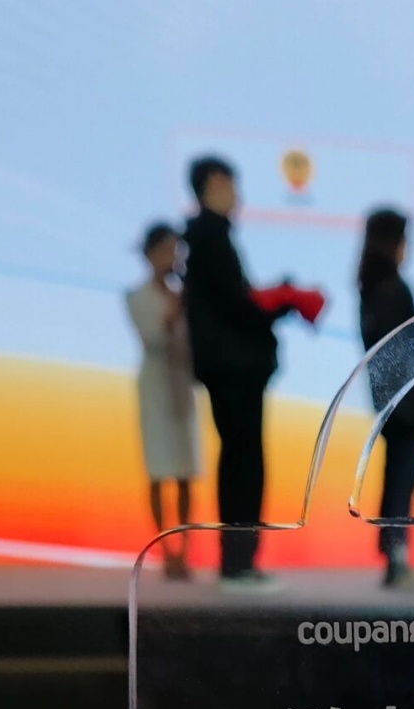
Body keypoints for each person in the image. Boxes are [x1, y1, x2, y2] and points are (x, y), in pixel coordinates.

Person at [183, 156, 291, 588]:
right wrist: (281, 304)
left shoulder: (208, 237)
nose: (238, 196)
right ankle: (239, 561)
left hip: (230, 367)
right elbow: (237, 306)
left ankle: (239, 558)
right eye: (230, 185)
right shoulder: (210, 237)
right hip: (235, 368)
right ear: (212, 185)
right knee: (244, 463)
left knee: (239, 460)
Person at [358, 208, 414, 588]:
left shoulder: (370, 287)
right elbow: (407, 347)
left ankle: (395, 555)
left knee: (397, 478)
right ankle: (397, 556)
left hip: (389, 400)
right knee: (402, 479)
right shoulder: (394, 288)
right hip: (407, 401)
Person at [125, 223, 200, 579]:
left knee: (186, 470)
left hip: (182, 384)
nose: (173, 258)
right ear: (151, 254)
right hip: (155, 385)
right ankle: (164, 551)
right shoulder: (137, 297)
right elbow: (152, 339)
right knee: (158, 469)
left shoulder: (183, 295)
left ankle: (184, 549)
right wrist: (175, 312)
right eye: (167, 250)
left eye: (176, 251)